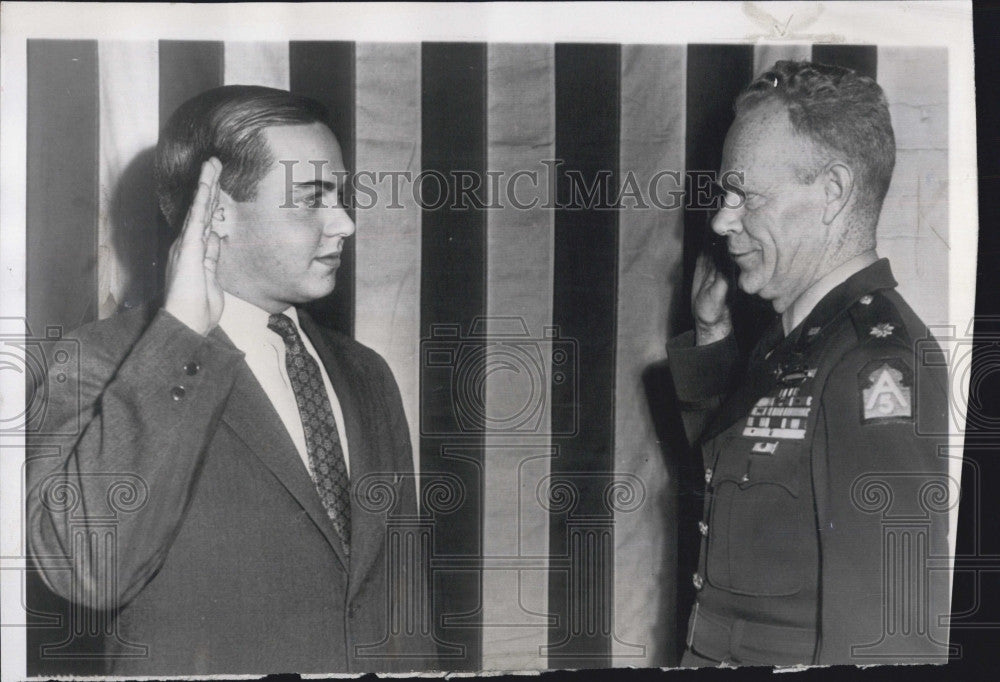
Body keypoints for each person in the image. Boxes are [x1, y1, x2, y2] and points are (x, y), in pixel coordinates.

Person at [26, 86, 435, 675]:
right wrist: (182, 333)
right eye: (312, 199)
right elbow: (90, 568)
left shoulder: (366, 373)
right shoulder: (95, 360)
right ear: (216, 209)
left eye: (342, 196)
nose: (344, 222)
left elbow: (402, 604)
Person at [668, 61, 952, 666]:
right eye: (724, 196)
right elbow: (737, 489)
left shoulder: (874, 363)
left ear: (832, 193)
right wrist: (713, 332)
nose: (721, 220)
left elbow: (889, 640)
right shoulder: (793, 342)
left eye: (746, 195)